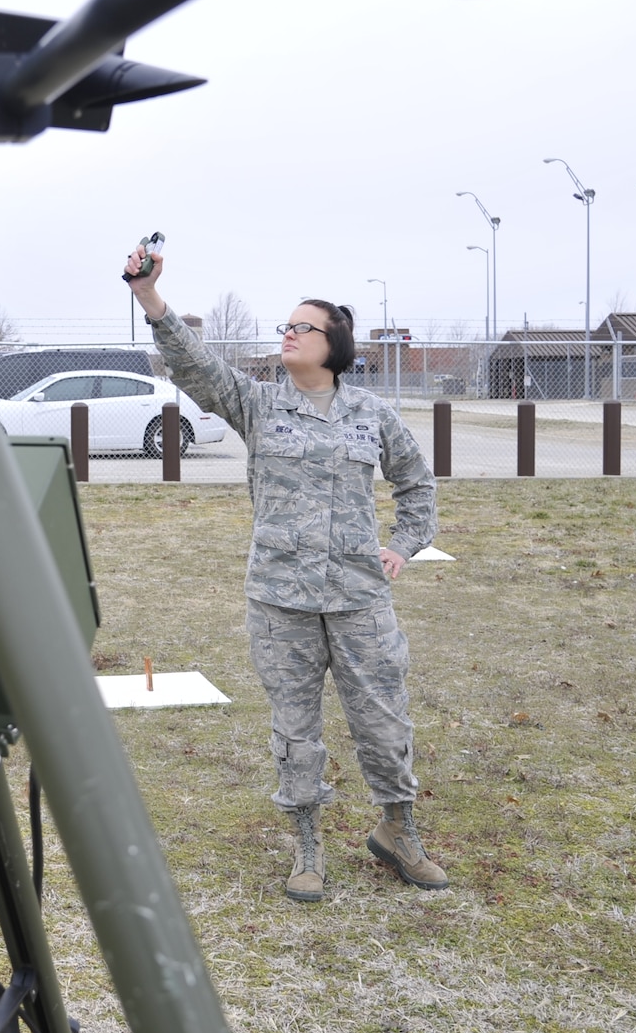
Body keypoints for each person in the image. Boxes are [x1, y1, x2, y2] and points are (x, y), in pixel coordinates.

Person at [124, 241, 447, 901]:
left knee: (385, 721)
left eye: (301, 327)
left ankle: (398, 829)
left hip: (359, 596)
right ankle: (307, 843)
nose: (288, 335)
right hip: (281, 601)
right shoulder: (258, 403)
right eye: (286, 326)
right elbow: (197, 366)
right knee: (296, 730)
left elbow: (416, 483)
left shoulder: (373, 414)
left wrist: (404, 545)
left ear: (333, 344)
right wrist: (151, 299)